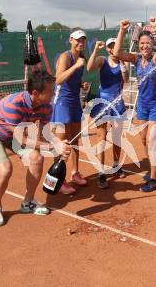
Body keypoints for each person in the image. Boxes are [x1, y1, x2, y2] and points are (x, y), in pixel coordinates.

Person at [0, 69, 71, 227]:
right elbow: (21, 138)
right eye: (50, 91)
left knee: (36, 158)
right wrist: (54, 146)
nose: (53, 94)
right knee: (5, 169)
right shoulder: (14, 104)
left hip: (12, 135)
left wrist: (59, 149)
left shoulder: (46, 106)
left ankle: (28, 203)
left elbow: (44, 134)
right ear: (35, 93)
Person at [113, 17, 156, 192]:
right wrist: (122, 30)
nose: (144, 46)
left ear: (152, 45)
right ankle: (155, 168)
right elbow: (116, 53)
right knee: (144, 139)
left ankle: (154, 178)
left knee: (152, 140)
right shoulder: (136, 60)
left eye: (148, 43)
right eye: (142, 43)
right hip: (143, 105)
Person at [87, 37, 129, 189]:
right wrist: (95, 50)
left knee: (117, 136)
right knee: (102, 137)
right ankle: (101, 172)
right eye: (110, 47)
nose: (112, 49)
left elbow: (126, 80)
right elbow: (89, 67)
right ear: (107, 49)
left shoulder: (122, 62)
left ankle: (117, 166)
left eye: (114, 46)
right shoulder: (102, 60)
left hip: (117, 102)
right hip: (103, 101)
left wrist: (123, 65)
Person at [51, 28, 89, 195]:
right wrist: (76, 67)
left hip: (74, 101)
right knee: (61, 143)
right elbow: (58, 79)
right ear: (71, 40)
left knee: (75, 140)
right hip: (62, 103)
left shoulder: (81, 58)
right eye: (78, 40)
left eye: (83, 40)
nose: (81, 42)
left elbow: (74, 77)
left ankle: (75, 173)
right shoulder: (65, 57)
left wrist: (81, 84)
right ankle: (59, 180)